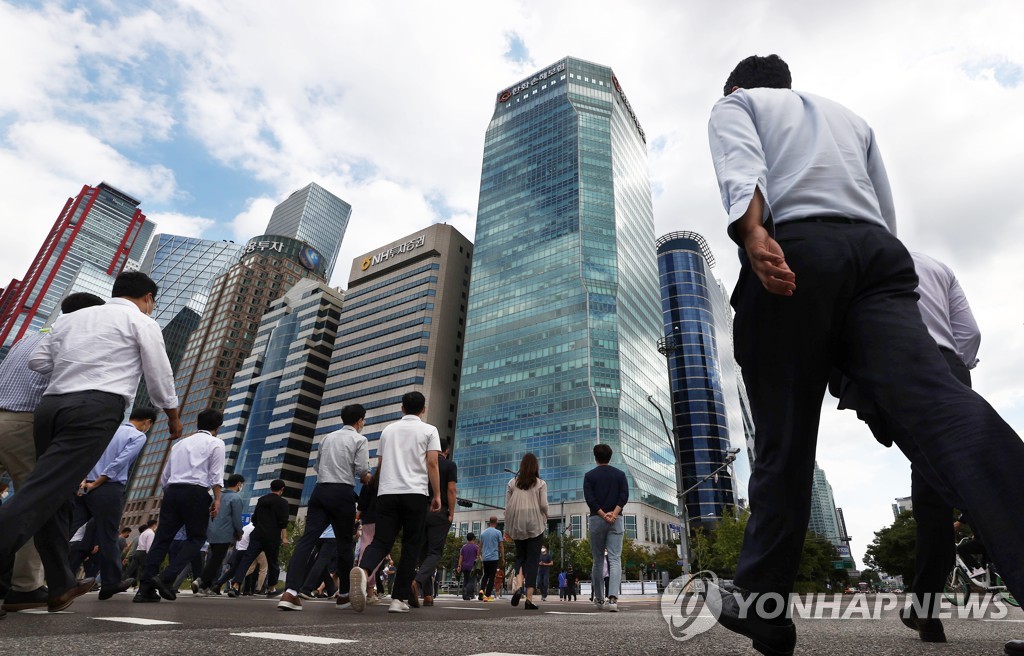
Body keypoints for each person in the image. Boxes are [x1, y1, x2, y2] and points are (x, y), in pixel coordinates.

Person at [706, 54, 1024, 656]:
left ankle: (761, 602)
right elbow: (884, 211)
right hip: (877, 257)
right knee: (945, 410)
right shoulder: (850, 118)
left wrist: (753, 234)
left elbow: (741, 165)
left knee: (785, 438)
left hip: (798, 247)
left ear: (739, 84)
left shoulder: (736, 104)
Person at [0, 272, 181, 613]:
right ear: (146, 297)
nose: (151, 308)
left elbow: (37, 361)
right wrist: (172, 416)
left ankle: (58, 584)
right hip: (95, 408)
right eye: (152, 302)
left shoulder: (74, 319)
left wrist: (74, 365)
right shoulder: (140, 322)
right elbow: (159, 375)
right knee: (42, 490)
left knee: (58, 496)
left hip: (51, 407)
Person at [831, 251, 981, 642]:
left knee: (936, 497)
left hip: (894, 366)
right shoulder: (937, 265)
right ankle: (924, 609)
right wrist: (952, 367)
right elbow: (970, 333)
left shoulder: (856, 258)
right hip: (949, 369)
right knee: (963, 480)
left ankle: (926, 610)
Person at [0, 292, 106, 613]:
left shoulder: (30, 337)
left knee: (27, 503)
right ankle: (25, 586)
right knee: (37, 506)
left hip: (3, 415)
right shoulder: (73, 342)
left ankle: (32, 585)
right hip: (26, 424)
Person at [348, 391, 441, 614]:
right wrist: (436, 494)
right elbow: (432, 464)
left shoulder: (388, 430)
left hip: (387, 492)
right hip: (415, 493)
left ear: (402, 408)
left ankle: (364, 569)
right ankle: (398, 599)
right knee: (411, 545)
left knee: (381, 541)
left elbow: (381, 464)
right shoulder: (430, 430)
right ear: (423, 409)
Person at [278, 404, 370, 612]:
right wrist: (370, 480)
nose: (363, 424)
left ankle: (290, 592)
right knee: (345, 544)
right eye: (363, 420)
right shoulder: (359, 439)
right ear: (359, 421)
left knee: (306, 541)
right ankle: (344, 595)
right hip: (342, 492)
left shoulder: (327, 438)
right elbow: (363, 471)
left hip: (319, 491)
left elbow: (317, 467)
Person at [135, 408, 224, 602]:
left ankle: (144, 590)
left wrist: (171, 493)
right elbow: (216, 475)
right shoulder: (216, 443)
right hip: (196, 492)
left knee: (162, 539)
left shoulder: (180, 444)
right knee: (197, 538)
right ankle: (166, 577)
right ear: (218, 426)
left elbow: (165, 476)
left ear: (197, 423)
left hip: (172, 491)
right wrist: (217, 499)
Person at [70, 405, 155, 600]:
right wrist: (98, 481)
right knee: (108, 536)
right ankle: (111, 582)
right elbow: (120, 461)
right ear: (147, 422)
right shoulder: (138, 436)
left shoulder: (111, 430)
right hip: (107, 487)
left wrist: (84, 480)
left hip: (85, 485)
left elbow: (90, 453)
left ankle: (42, 575)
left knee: (68, 528)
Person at [583, 443, 628, 612]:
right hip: (616, 520)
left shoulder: (589, 476)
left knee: (598, 560)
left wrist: (602, 514)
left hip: (596, 519)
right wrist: (614, 514)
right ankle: (613, 599)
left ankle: (599, 598)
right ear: (611, 456)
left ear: (595, 457)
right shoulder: (620, 475)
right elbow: (624, 496)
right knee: (615, 559)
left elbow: (590, 499)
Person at [413, 437, 456, 606]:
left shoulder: (422, 463)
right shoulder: (449, 465)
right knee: (435, 552)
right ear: (446, 450)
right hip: (440, 510)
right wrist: (451, 513)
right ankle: (416, 583)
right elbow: (451, 489)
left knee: (423, 552)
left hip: (421, 510)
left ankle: (428, 596)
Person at [229, 478, 290, 598]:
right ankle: (271, 589)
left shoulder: (261, 500)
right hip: (272, 536)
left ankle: (235, 585)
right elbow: (283, 522)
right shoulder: (283, 503)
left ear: (270, 488)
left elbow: (254, 519)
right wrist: (284, 538)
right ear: (282, 489)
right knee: (273, 562)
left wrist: (261, 527)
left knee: (247, 560)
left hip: (257, 534)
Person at [504, 452, 548, 610]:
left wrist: (507, 528)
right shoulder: (540, 483)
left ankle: (517, 587)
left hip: (517, 523)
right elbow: (543, 505)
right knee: (533, 560)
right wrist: (546, 514)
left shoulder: (512, 483)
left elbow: (507, 507)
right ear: (536, 467)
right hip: (535, 524)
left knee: (520, 557)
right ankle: (529, 598)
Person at [196, 473, 245, 595]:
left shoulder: (218, 496)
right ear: (239, 484)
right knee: (216, 560)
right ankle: (200, 581)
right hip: (225, 533)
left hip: (212, 532)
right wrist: (239, 532)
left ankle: (205, 586)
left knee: (213, 560)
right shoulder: (236, 498)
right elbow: (236, 518)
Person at [356, 468, 384, 605]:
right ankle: (365, 579)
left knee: (365, 550)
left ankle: (369, 592)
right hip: (381, 520)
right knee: (377, 553)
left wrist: (356, 519)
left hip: (367, 520)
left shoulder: (367, 487)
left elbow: (360, 506)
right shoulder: (385, 485)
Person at [478, 516, 504, 602]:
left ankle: (481, 590)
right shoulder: (498, 532)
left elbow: (480, 545)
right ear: (496, 522)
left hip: (485, 558)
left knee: (485, 575)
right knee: (492, 577)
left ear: (489, 522)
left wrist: (479, 556)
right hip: (494, 557)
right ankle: (487, 595)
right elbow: (500, 545)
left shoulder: (483, 533)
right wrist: (503, 557)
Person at [457, 533, 480, 601]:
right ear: (473, 538)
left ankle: (466, 596)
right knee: (471, 581)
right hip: (472, 567)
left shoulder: (463, 547)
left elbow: (461, 557)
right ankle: (466, 590)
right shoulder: (476, 547)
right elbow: (479, 557)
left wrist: (459, 566)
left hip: (464, 567)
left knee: (465, 580)